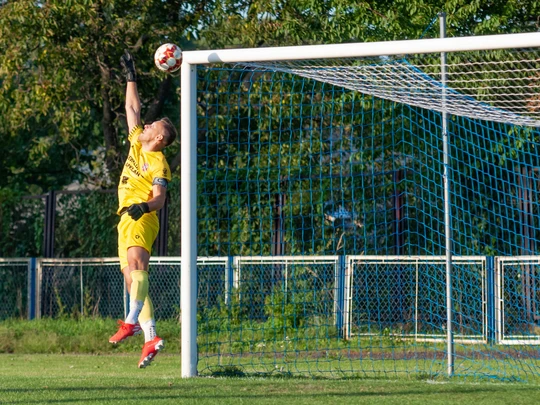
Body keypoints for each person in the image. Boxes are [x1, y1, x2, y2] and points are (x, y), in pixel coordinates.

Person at [109, 50, 177, 368]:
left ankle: (132, 322)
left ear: (160, 137)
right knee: (131, 279)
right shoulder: (138, 141)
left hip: (142, 216)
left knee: (138, 266)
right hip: (125, 217)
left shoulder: (159, 162)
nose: (146, 125)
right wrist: (131, 76)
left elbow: (161, 199)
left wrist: (143, 206)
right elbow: (132, 108)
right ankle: (150, 336)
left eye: (153, 126)